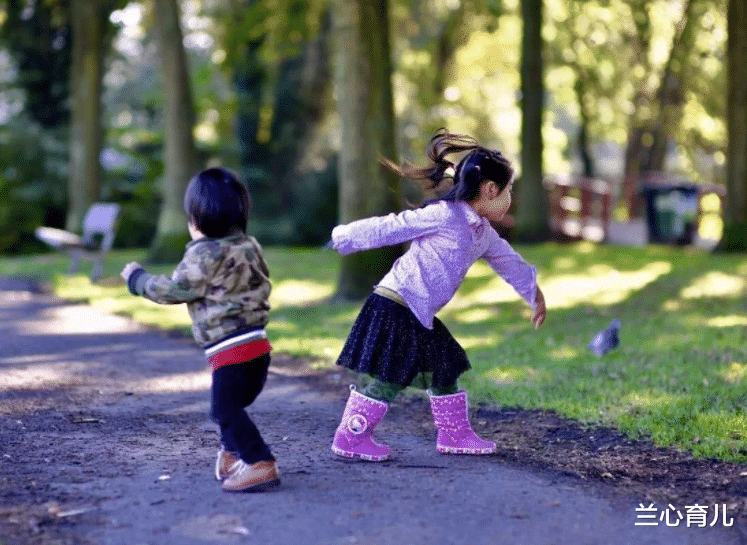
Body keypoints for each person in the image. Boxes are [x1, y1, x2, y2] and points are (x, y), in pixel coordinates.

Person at [330, 129, 547, 461]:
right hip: (396, 303)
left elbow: (509, 262)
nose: (510, 198)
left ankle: (455, 434)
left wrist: (534, 294)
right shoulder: (445, 216)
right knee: (391, 376)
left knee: (444, 365)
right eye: (509, 190)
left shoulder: (483, 233)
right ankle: (351, 436)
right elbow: (393, 226)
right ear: (490, 189)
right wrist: (345, 236)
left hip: (418, 312)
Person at [120, 167, 280, 492]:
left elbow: (175, 290)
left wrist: (138, 280)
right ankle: (233, 454)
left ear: (197, 219)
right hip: (258, 348)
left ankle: (259, 461)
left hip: (231, 349)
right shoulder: (250, 245)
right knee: (230, 406)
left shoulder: (204, 252)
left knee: (223, 409)